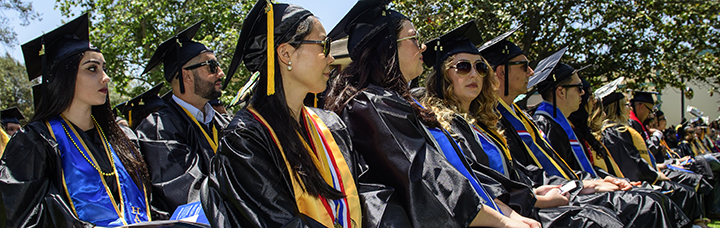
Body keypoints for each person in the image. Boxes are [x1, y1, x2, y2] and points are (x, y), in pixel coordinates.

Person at [325, 1, 537, 227]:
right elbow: (426, 177)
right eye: (414, 39)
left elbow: (463, 171)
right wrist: (502, 222)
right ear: (389, 47)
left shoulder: (403, 102)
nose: (423, 47)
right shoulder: (371, 104)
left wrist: (508, 213)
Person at [420, 20, 623, 227]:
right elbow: (475, 186)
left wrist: (571, 186)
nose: (474, 74)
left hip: (521, 206)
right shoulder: (442, 126)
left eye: (480, 67)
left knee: (617, 209)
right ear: (443, 75)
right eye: (463, 67)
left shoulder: (479, 124)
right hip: (499, 216)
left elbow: (517, 173)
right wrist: (535, 198)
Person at [481, 28, 691, 227]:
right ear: (501, 72)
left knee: (647, 200)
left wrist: (590, 181)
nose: (531, 71)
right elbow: (519, 176)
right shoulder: (495, 121)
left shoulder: (520, 119)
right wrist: (582, 185)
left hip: (554, 191)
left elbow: (542, 170)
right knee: (639, 207)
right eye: (524, 65)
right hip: (533, 203)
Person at [201, 1, 361, 227]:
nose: (331, 57)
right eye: (323, 45)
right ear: (286, 53)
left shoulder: (329, 124)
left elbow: (366, 193)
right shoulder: (245, 140)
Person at [0, 14, 152, 226]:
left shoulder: (120, 138)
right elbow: (27, 219)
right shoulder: (35, 143)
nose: (106, 77)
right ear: (64, 77)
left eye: (104, 68)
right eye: (92, 69)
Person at [135, 20, 230, 213]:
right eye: (211, 66)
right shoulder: (159, 129)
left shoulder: (223, 123)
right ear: (186, 76)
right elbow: (188, 195)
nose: (220, 73)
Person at [599, 91, 706, 227]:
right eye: (626, 105)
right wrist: (655, 175)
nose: (630, 108)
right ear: (617, 107)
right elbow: (632, 163)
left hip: (641, 176)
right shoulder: (614, 132)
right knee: (679, 192)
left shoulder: (616, 130)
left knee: (686, 185)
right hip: (635, 180)